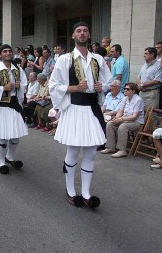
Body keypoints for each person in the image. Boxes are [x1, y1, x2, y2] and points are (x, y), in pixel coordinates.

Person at [49, 22, 111, 208]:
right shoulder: (65, 59)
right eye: (78, 31)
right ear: (73, 36)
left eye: (85, 31)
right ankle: (70, 190)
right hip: (75, 107)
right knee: (74, 150)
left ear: (89, 35)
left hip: (91, 108)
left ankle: (86, 192)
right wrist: (73, 88)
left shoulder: (98, 59)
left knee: (91, 152)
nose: (82, 33)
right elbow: (53, 85)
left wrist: (104, 86)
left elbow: (109, 82)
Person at [0, 44, 28, 174]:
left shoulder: (18, 69)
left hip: (14, 105)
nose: (8, 53)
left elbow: (24, 85)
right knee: (3, 137)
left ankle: (9, 156)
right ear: (0, 54)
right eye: (5, 51)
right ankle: (1, 161)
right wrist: (3, 88)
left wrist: (19, 86)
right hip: (2, 106)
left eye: (10, 51)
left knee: (15, 136)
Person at [101, 82, 145, 158]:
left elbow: (134, 117)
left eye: (127, 89)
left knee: (123, 126)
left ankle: (122, 150)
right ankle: (110, 147)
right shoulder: (125, 98)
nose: (125, 90)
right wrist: (116, 118)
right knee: (110, 124)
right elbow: (120, 111)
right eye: (124, 89)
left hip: (136, 122)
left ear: (133, 91)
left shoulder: (138, 100)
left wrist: (121, 119)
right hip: (125, 119)